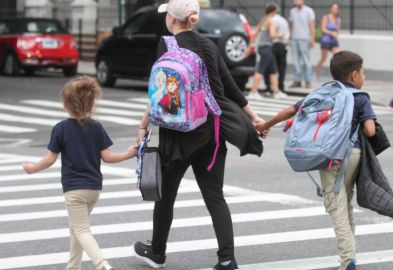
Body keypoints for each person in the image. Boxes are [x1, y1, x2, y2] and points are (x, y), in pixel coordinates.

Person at [132, 1, 264, 270]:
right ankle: (227, 258)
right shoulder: (210, 46)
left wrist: (143, 126)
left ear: (171, 18)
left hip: (176, 135)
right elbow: (229, 87)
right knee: (215, 196)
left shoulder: (167, 45)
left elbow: (159, 93)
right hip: (212, 133)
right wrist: (254, 117)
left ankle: (157, 253)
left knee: (165, 196)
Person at [256, 51, 376, 270]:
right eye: (364, 73)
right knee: (345, 201)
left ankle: (348, 259)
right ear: (354, 75)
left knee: (335, 206)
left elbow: (289, 111)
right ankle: (351, 254)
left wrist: (266, 124)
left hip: (331, 157)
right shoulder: (360, 97)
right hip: (354, 155)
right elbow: (369, 130)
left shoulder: (322, 92)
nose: (364, 77)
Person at [22, 76, 137, 270]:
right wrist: (128, 153)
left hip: (74, 190)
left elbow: (50, 159)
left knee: (81, 229)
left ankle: (102, 265)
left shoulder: (61, 129)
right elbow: (108, 157)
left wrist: (32, 169)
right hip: (93, 189)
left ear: (66, 104)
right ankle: (73, 267)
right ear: (91, 102)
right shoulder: (96, 127)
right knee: (76, 228)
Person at [247, 3, 287, 100]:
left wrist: (249, 46)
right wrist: (280, 35)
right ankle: (253, 92)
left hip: (262, 47)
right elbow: (272, 35)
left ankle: (276, 92)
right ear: (273, 11)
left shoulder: (263, 19)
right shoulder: (271, 21)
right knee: (261, 70)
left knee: (273, 71)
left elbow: (255, 33)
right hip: (267, 48)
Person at [264, 3, 290, 93]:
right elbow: (287, 35)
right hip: (283, 46)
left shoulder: (271, 20)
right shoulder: (284, 20)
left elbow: (270, 34)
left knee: (269, 67)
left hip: (273, 45)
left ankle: (268, 86)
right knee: (281, 67)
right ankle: (281, 87)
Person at [289, 0, 316, 89]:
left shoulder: (309, 11)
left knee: (306, 61)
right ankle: (297, 81)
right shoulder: (292, 11)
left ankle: (308, 81)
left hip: (305, 39)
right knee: (296, 61)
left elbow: (312, 26)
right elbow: (291, 25)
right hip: (294, 39)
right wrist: (290, 37)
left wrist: (312, 39)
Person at [315, 3, 341, 79]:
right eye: (333, 8)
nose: (334, 10)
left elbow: (338, 30)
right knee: (323, 58)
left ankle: (338, 75)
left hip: (334, 40)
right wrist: (331, 32)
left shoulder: (338, 19)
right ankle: (317, 73)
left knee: (339, 56)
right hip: (325, 40)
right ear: (330, 9)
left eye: (336, 9)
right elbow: (323, 29)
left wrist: (336, 33)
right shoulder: (326, 17)